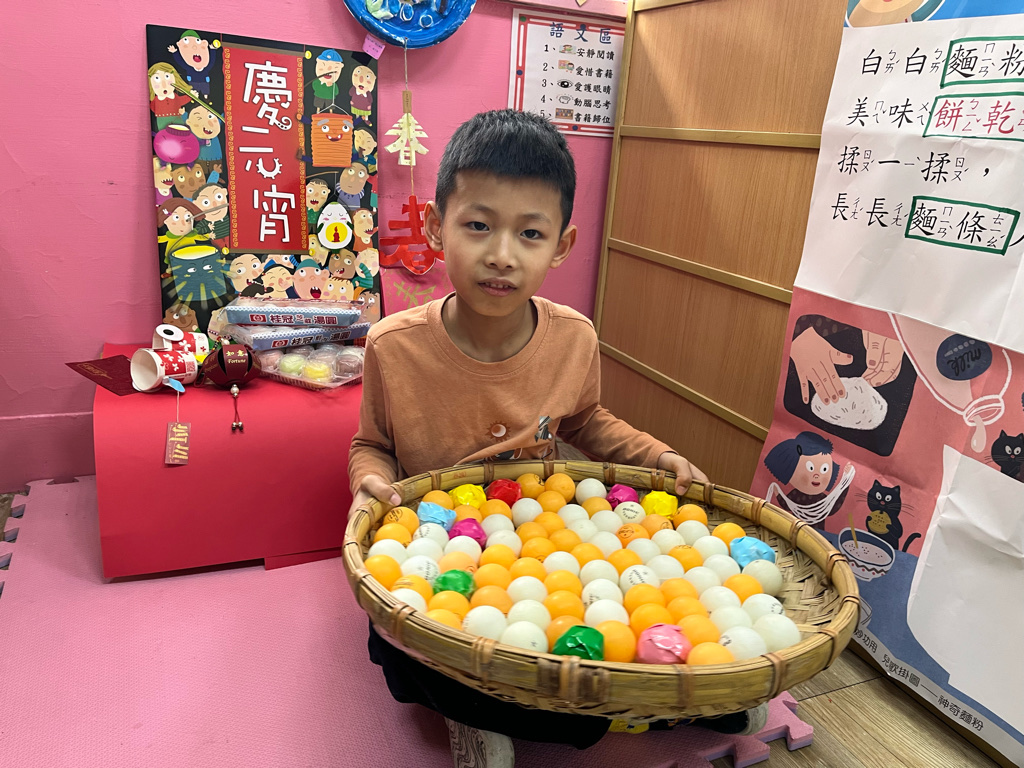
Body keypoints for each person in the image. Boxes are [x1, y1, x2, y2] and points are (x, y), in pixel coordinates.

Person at [348, 109, 768, 768]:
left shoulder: (573, 336)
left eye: (530, 233)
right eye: (478, 225)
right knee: (395, 649)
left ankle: (611, 700)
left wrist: (656, 455)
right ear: (435, 226)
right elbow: (370, 444)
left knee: (614, 612)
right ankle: (603, 713)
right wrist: (367, 480)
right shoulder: (392, 345)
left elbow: (586, 423)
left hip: (547, 533)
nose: (502, 254)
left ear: (561, 245)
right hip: (442, 540)